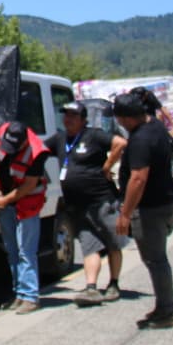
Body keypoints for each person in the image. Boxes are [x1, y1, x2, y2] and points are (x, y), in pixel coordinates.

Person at [113, 92, 173, 329]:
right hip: (165, 201)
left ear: (126, 118)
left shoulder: (141, 139)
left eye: (120, 119)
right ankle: (169, 303)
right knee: (157, 258)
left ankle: (166, 312)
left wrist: (125, 213)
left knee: (155, 259)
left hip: (150, 208)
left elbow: (138, 179)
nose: (120, 124)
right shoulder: (155, 126)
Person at [0, 120, 52, 314]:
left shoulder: (37, 153)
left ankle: (31, 297)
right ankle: (19, 294)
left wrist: (5, 200)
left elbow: (28, 185)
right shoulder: (3, 130)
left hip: (27, 204)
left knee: (26, 251)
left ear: (25, 142)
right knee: (12, 251)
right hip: (7, 202)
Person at [58, 101, 128, 307]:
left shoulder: (94, 135)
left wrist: (107, 166)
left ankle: (114, 283)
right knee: (89, 245)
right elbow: (38, 149)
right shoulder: (60, 138)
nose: (68, 119)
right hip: (77, 205)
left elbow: (121, 143)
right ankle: (91, 287)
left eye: (73, 115)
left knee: (113, 242)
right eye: (65, 114)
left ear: (83, 119)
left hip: (101, 201)